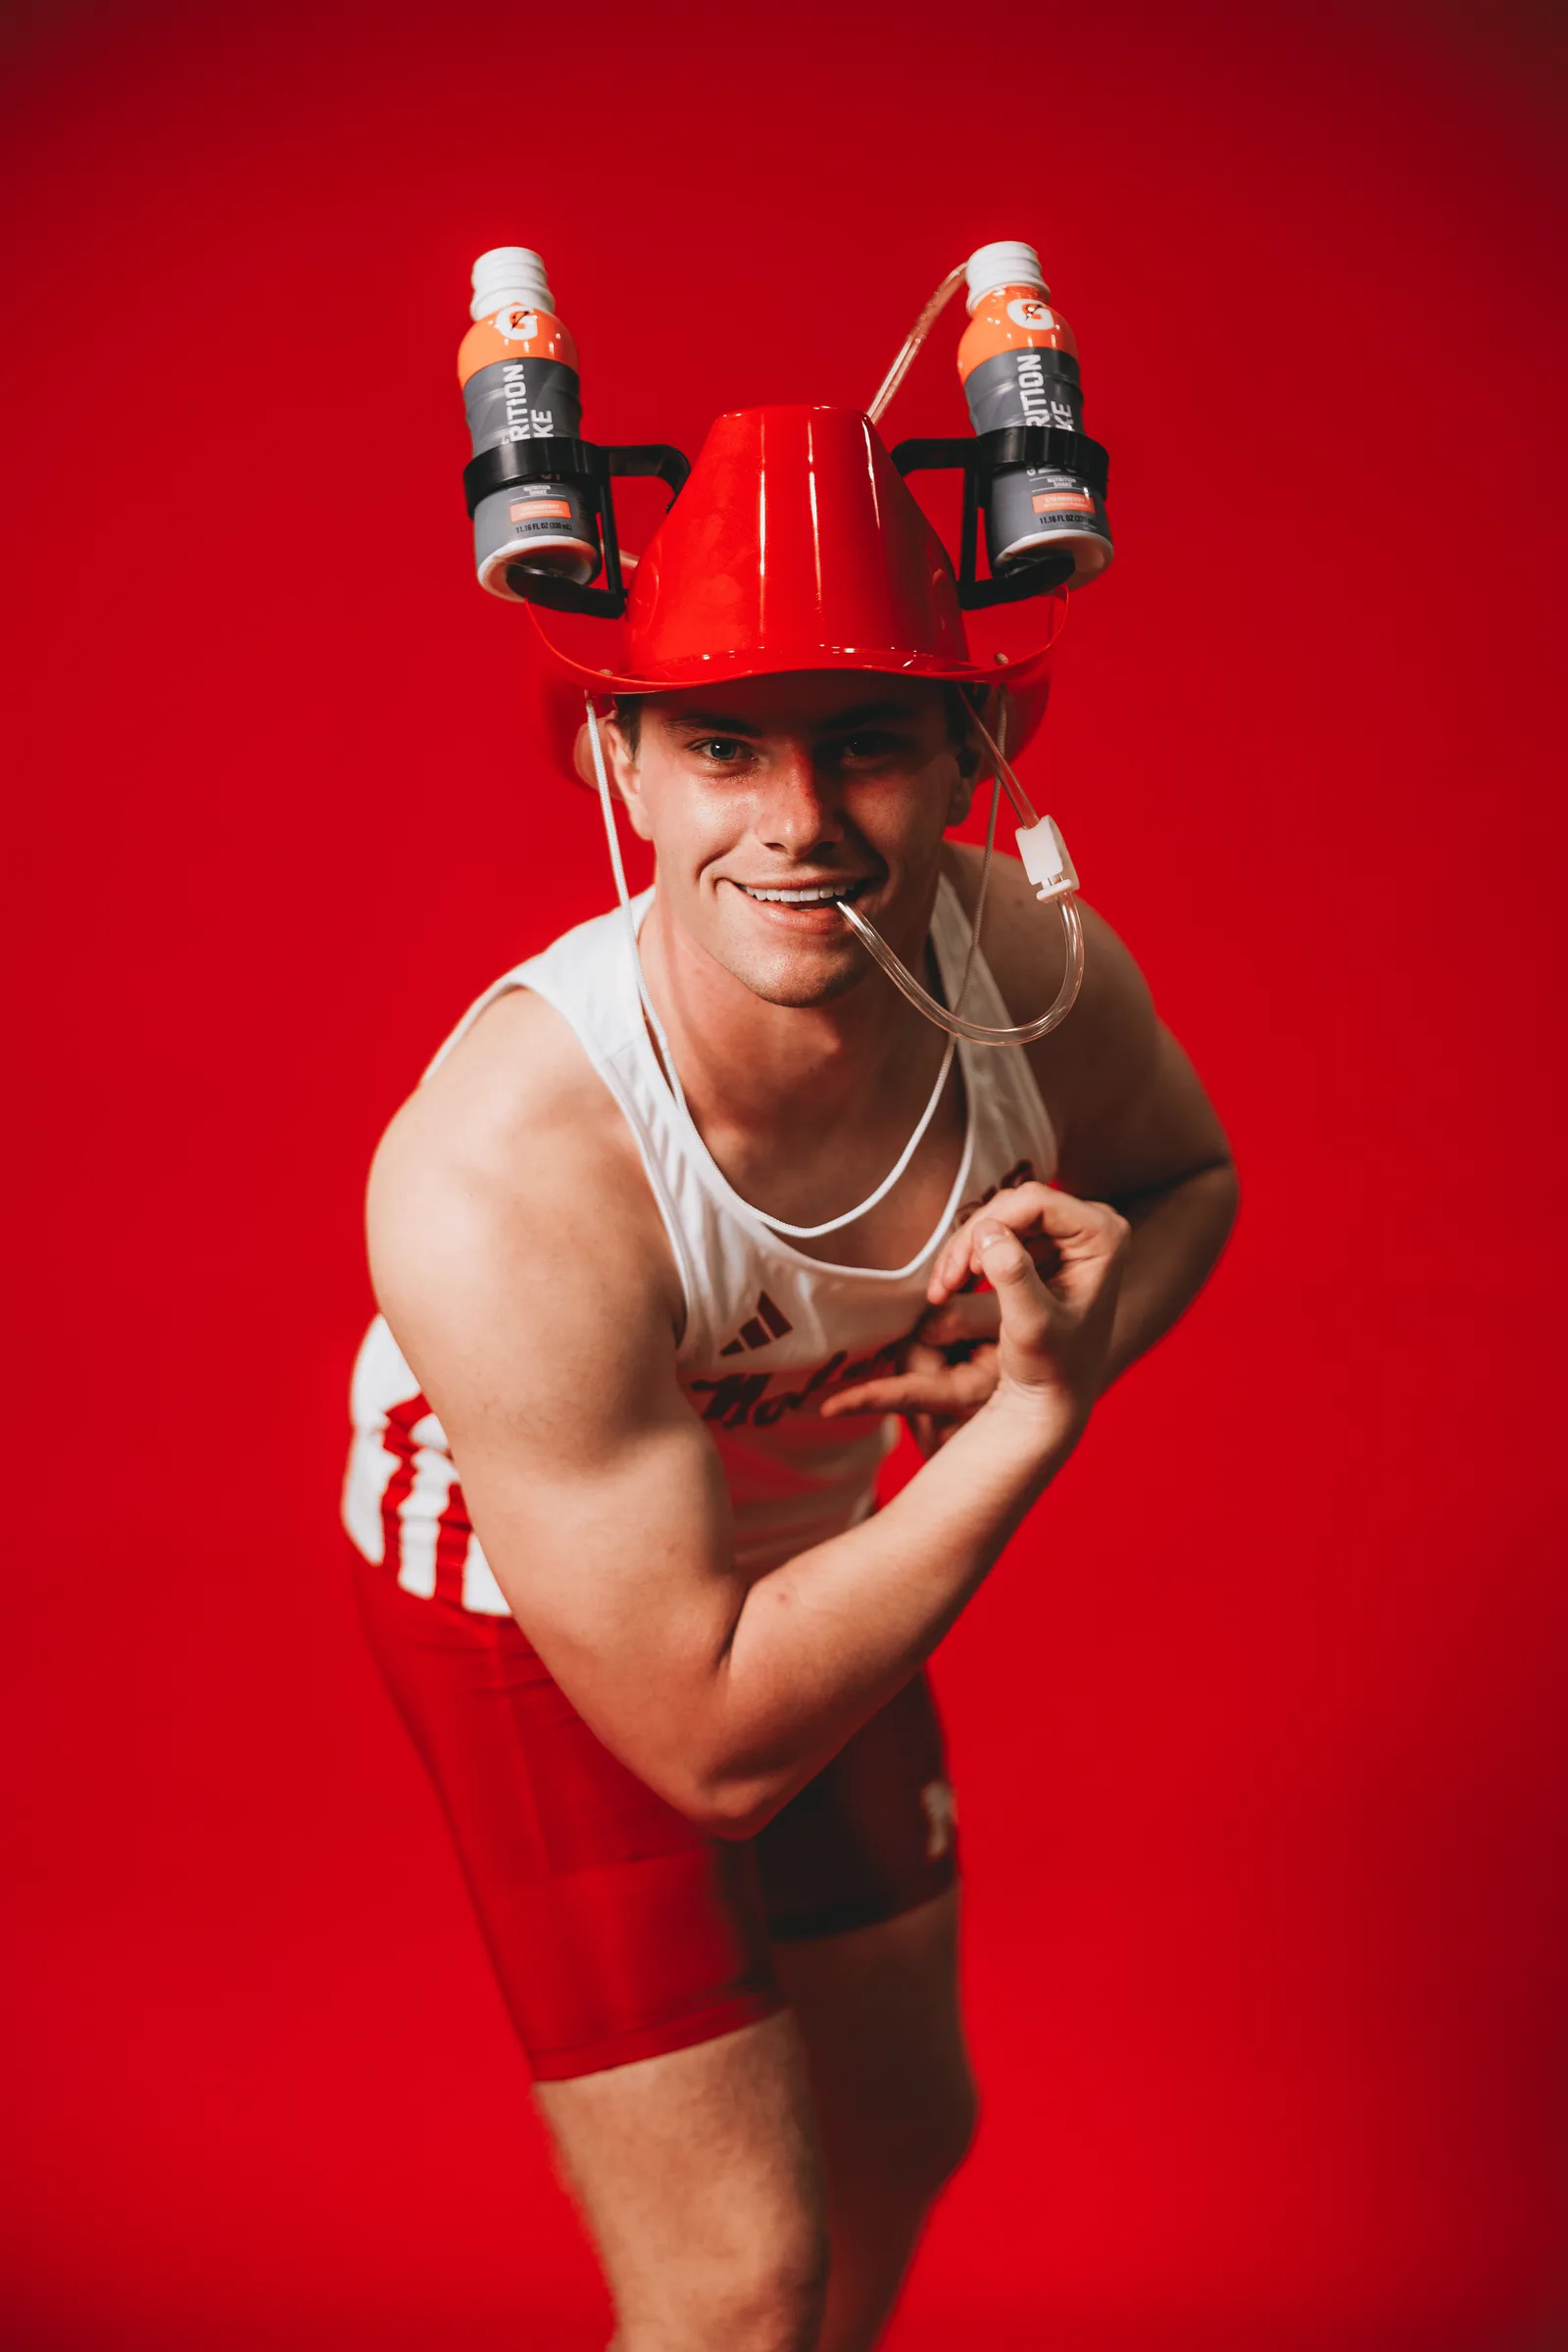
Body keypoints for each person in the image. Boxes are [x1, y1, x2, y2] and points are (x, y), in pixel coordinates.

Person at [343, 404, 1238, 2352]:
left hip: (801, 1544)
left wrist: (1043, 1342)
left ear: (972, 758)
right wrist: (1031, 1409)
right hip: (542, 1611)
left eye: (867, 744)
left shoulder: (1027, 978)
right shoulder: (508, 1172)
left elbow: (1185, 1179)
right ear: (617, 762)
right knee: (733, 2280)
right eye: (720, 747)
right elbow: (707, 1737)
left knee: (905, 2125)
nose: (797, 824)